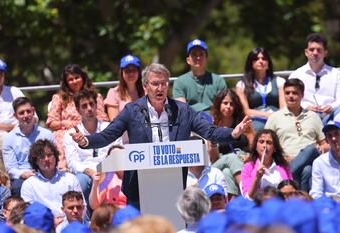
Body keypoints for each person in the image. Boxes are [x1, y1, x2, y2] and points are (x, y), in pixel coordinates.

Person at [70, 63, 251, 209]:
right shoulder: (132, 110)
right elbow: (108, 135)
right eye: (155, 83)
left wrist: (232, 133)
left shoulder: (182, 111)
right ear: (145, 86)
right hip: (139, 186)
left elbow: (209, 131)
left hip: (172, 183)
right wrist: (86, 141)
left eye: (164, 83)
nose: (160, 88)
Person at [264, 78, 328, 191]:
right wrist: (281, 157)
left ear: (302, 95)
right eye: (287, 93)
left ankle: (288, 175)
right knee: (306, 170)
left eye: (295, 93)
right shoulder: (274, 118)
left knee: (310, 149)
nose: (291, 96)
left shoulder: (313, 116)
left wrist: (321, 147)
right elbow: (266, 144)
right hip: (286, 161)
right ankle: (301, 199)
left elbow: (325, 144)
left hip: (311, 158)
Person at [64, 89, 120, 208]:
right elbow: (72, 163)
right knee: (81, 181)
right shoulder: (71, 134)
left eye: (91, 104)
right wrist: (90, 172)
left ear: (96, 106)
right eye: (84, 106)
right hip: (85, 173)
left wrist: (103, 173)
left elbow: (118, 152)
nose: (89, 108)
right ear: (78, 110)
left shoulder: (110, 128)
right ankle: (86, 220)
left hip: (108, 171)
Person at [46, 64, 108, 169]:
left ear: (82, 78)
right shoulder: (59, 98)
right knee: (61, 136)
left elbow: (102, 117)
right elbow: (51, 123)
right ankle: (62, 168)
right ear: (66, 82)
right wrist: (63, 123)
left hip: (90, 127)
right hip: (68, 130)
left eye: (77, 78)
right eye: (70, 79)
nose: (74, 81)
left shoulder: (95, 97)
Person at [289, 33, 340, 122]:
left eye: (319, 50)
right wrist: (305, 107)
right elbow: (291, 98)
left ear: (325, 53)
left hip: (331, 116)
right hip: (304, 116)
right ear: (306, 52)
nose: (315, 53)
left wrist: (332, 106)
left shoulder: (336, 74)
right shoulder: (296, 75)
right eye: (312, 50)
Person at [2, 97, 54, 196]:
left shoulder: (47, 134)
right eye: (21, 113)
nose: (26, 115)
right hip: (23, 177)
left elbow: (55, 157)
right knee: (18, 186)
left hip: (46, 172)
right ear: (15, 116)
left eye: (28, 111)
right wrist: (23, 174)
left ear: (33, 111)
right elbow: (11, 168)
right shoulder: (9, 139)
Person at [20, 139, 83, 222]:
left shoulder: (71, 179)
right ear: (35, 161)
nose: (46, 159)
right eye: (42, 157)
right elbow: (29, 213)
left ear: (55, 157)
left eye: (49, 155)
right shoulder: (28, 185)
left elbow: (82, 206)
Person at [207, 89, 253, 198]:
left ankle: (231, 206)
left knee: (227, 172)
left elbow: (254, 148)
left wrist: (249, 157)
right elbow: (213, 159)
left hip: (241, 160)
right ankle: (247, 191)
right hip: (218, 162)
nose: (228, 106)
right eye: (225, 103)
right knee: (231, 157)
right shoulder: (211, 125)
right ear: (219, 104)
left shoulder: (242, 123)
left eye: (231, 104)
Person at [0, 58, 25, 163]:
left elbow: (31, 114)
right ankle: (15, 177)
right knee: (8, 140)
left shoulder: (14, 91)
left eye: (1, 73)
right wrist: (14, 127)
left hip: (21, 131)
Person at [236, 47, 286, 131]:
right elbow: (246, 111)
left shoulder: (279, 82)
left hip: (277, 119)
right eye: (256, 59)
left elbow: (283, 108)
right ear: (251, 63)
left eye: (264, 58)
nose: (261, 61)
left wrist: (275, 117)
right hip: (255, 121)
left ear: (268, 63)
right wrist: (267, 115)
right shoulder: (242, 85)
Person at [172, 39, 226, 113]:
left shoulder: (218, 81)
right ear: (188, 60)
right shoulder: (180, 82)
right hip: (190, 121)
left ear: (207, 59)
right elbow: (181, 110)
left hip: (214, 120)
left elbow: (223, 108)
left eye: (201, 54)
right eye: (194, 54)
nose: (198, 57)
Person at [241, 129, 292, 199]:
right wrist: (257, 178)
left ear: (274, 148)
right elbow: (248, 198)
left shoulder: (284, 166)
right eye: (261, 142)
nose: (264, 145)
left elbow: (291, 191)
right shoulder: (248, 167)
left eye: (269, 142)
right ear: (256, 146)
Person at [105, 54, 145, 121]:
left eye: (134, 70)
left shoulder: (147, 91)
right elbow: (114, 122)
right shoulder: (113, 93)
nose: (131, 74)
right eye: (127, 70)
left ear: (139, 72)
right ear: (121, 73)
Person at [89, 145, 127, 209]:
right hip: (112, 214)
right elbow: (94, 205)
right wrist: (95, 185)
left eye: (119, 155)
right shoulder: (107, 177)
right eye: (112, 156)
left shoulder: (133, 176)